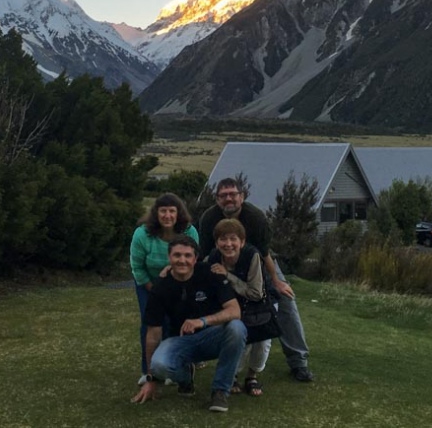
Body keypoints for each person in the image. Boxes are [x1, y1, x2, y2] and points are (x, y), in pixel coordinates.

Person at [198, 177, 314, 382]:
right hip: (224, 262)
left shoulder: (255, 217)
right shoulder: (208, 218)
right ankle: (198, 353)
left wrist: (276, 282)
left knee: (286, 300)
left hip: (258, 260)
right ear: (217, 199)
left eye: (233, 194)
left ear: (241, 196)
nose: (228, 199)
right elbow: (206, 254)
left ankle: (298, 361)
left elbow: (265, 252)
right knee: (200, 299)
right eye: (223, 196)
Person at [131, 235, 247, 413]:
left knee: (237, 328)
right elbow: (153, 333)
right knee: (159, 364)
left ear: (195, 258)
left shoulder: (210, 273)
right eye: (177, 255)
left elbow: (234, 311)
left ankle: (220, 391)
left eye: (187, 256)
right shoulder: (160, 287)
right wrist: (151, 379)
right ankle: (185, 379)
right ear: (169, 258)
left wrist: (202, 321)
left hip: (212, 337)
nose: (182, 260)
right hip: (180, 341)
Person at [130, 193, 199, 385]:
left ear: (178, 214)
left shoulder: (189, 231)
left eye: (171, 211)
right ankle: (148, 370)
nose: (167, 215)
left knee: (175, 323)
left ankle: (172, 366)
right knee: (150, 322)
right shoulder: (142, 234)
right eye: (163, 211)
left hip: (179, 283)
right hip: (148, 283)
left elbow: (195, 260)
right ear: (156, 213)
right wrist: (156, 292)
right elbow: (137, 267)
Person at [207, 218, 278, 397]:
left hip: (259, 304)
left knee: (261, 343)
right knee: (239, 341)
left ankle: (252, 376)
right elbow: (199, 273)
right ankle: (233, 374)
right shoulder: (214, 257)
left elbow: (256, 292)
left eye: (233, 239)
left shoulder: (252, 255)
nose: (228, 244)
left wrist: (228, 276)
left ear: (242, 241)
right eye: (223, 239)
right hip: (234, 304)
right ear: (216, 242)